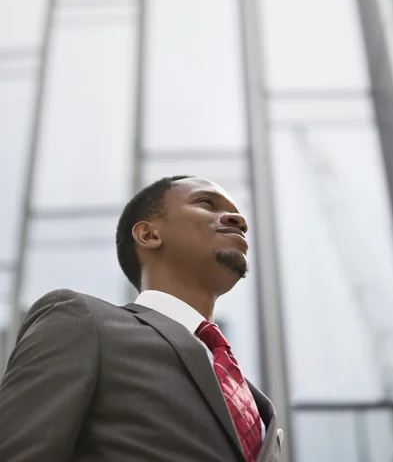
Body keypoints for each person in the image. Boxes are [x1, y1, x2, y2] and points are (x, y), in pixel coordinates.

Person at [0, 175, 283, 461]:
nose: (238, 220)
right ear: (149, 235)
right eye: (206, 202)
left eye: (238, 213)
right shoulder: (82, 322)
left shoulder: (258, 407)